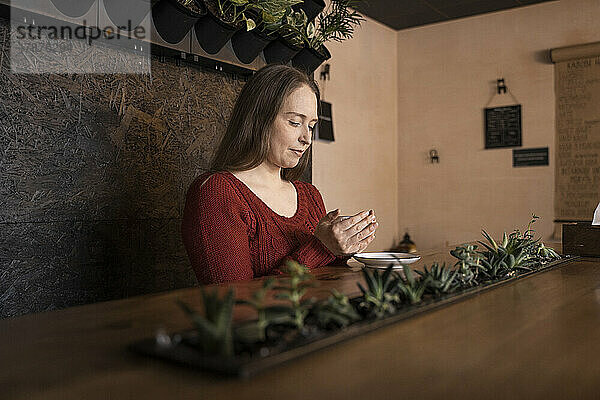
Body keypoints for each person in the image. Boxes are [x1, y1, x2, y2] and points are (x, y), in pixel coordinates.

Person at [181, 64, 378, 285]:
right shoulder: (216, 192)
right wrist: (320, 247)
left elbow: (324, 279)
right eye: (295, 122)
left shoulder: (310, 195)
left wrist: (342, 246)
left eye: (311, 126)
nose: (307, 138)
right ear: (258, 119)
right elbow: (235, 302)